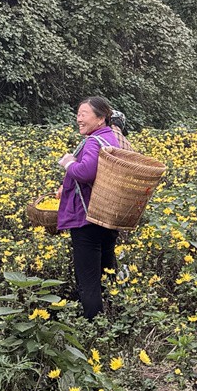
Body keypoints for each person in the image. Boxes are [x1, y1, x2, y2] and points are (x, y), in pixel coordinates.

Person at [56, 96, 120, 319]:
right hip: (106, 216)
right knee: (105, 271)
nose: (78, 118)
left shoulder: (94, 141)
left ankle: (94, 328)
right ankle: (113, 318)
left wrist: (68, 164)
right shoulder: (111, 138)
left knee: (89, 280)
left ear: (101, 118)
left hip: (87, 219)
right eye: (78, 113)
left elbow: (86, 173)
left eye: (84, 114)